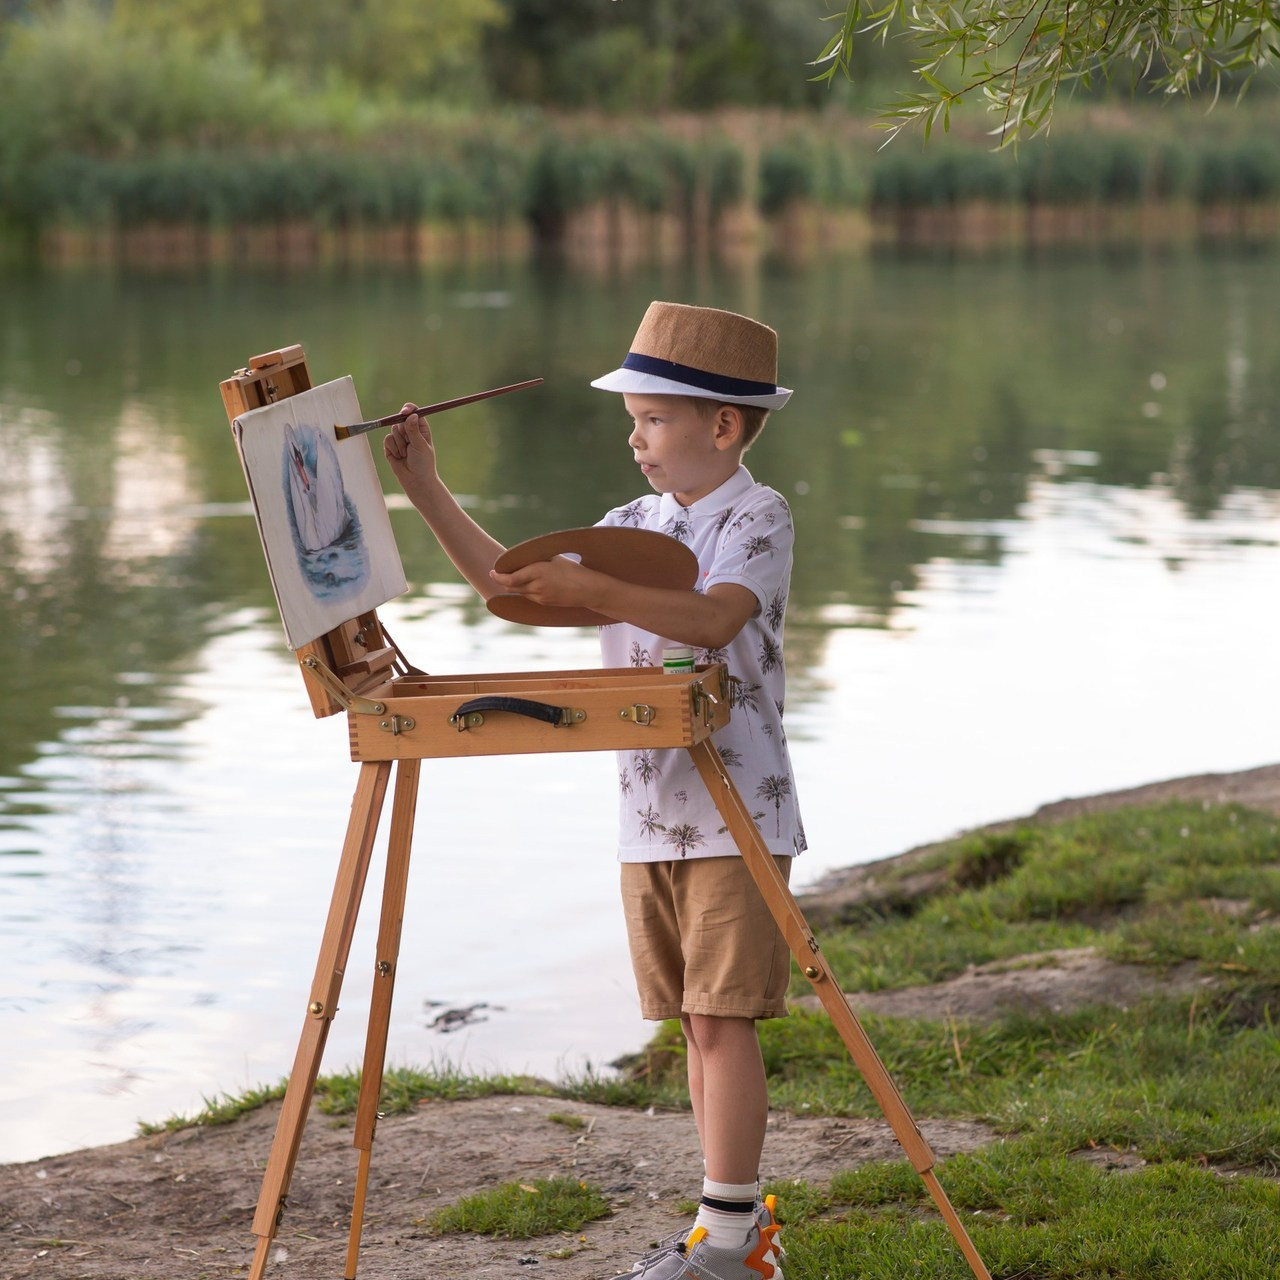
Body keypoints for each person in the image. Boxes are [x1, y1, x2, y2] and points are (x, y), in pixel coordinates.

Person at [384, 301, 805, 1280]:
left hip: (738, 805)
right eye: (633, 417)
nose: (634, 435)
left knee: (724, 1010)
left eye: (652, 418)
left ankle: (735, 1233)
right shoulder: (630, 525)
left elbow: (707, 620)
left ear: (723, 426)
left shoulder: (757, 514)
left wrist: (596, 591)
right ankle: (725, 1231)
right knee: (691, 1016)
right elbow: (508, 584)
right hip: (650, 810)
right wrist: (424, 486)